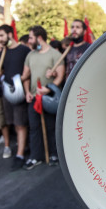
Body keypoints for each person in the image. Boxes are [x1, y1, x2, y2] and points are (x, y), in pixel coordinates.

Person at [22, 26, 64, 170]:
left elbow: (60, 76)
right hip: (34, 97)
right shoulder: (30, 55)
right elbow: (26, 76)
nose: (29, 40)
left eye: (31, 37)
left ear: (39, 38)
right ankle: (35, 156)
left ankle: (54, 154)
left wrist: (49, 88)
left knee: (51, 127)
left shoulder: (55, 54)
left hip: (49, 97)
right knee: (34, 128)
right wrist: (27, 91)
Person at [0, 24, 31, 169]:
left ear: (10, 34)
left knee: (20, 124)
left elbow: (28, 72)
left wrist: (23, 82)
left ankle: (20, 154)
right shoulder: (3, 52)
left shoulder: (24, 50)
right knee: (14, 123)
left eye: (2, 35)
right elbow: (2, 70)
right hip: (7, 91)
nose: (0, 39)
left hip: (19, 92)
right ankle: (24, 146)